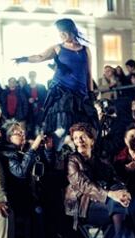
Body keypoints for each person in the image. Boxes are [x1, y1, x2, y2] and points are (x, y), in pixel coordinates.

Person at [65, 123, 135, 238]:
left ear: (92, 140)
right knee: (120, 206)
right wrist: (110, 194)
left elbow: (115, 179)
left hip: (103, 205)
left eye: (83, 137)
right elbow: (84, 184)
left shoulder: (100, 161)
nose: (79, 141)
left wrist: (123, 191)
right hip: (81, 207)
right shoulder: (72, 161)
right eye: (76, 138)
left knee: (123, 203)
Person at [13, 18, 99, 150]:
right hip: (61, 93)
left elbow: (88, 74)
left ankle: (77, 156)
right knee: (61, 128)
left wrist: (91, 94)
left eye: (64, 33)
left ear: (72, 31)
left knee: (83, 128)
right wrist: (23, 59)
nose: (62, 36)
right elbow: (40, 57)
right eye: (60, 33)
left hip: (80, 96)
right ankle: (55, 156)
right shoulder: (58, 48)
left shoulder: (85, 50)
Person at [0, 122, 53, 238]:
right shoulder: (7, 152)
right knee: (35, 215)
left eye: (22, 132)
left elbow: (45, 168)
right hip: (14, 198)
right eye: (17, 133)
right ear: (8, 137)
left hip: (30, 196)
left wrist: (47, 149)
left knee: (49, 209)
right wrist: (33, 149)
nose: (22, 134)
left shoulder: (26, 150)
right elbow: (20, 172)